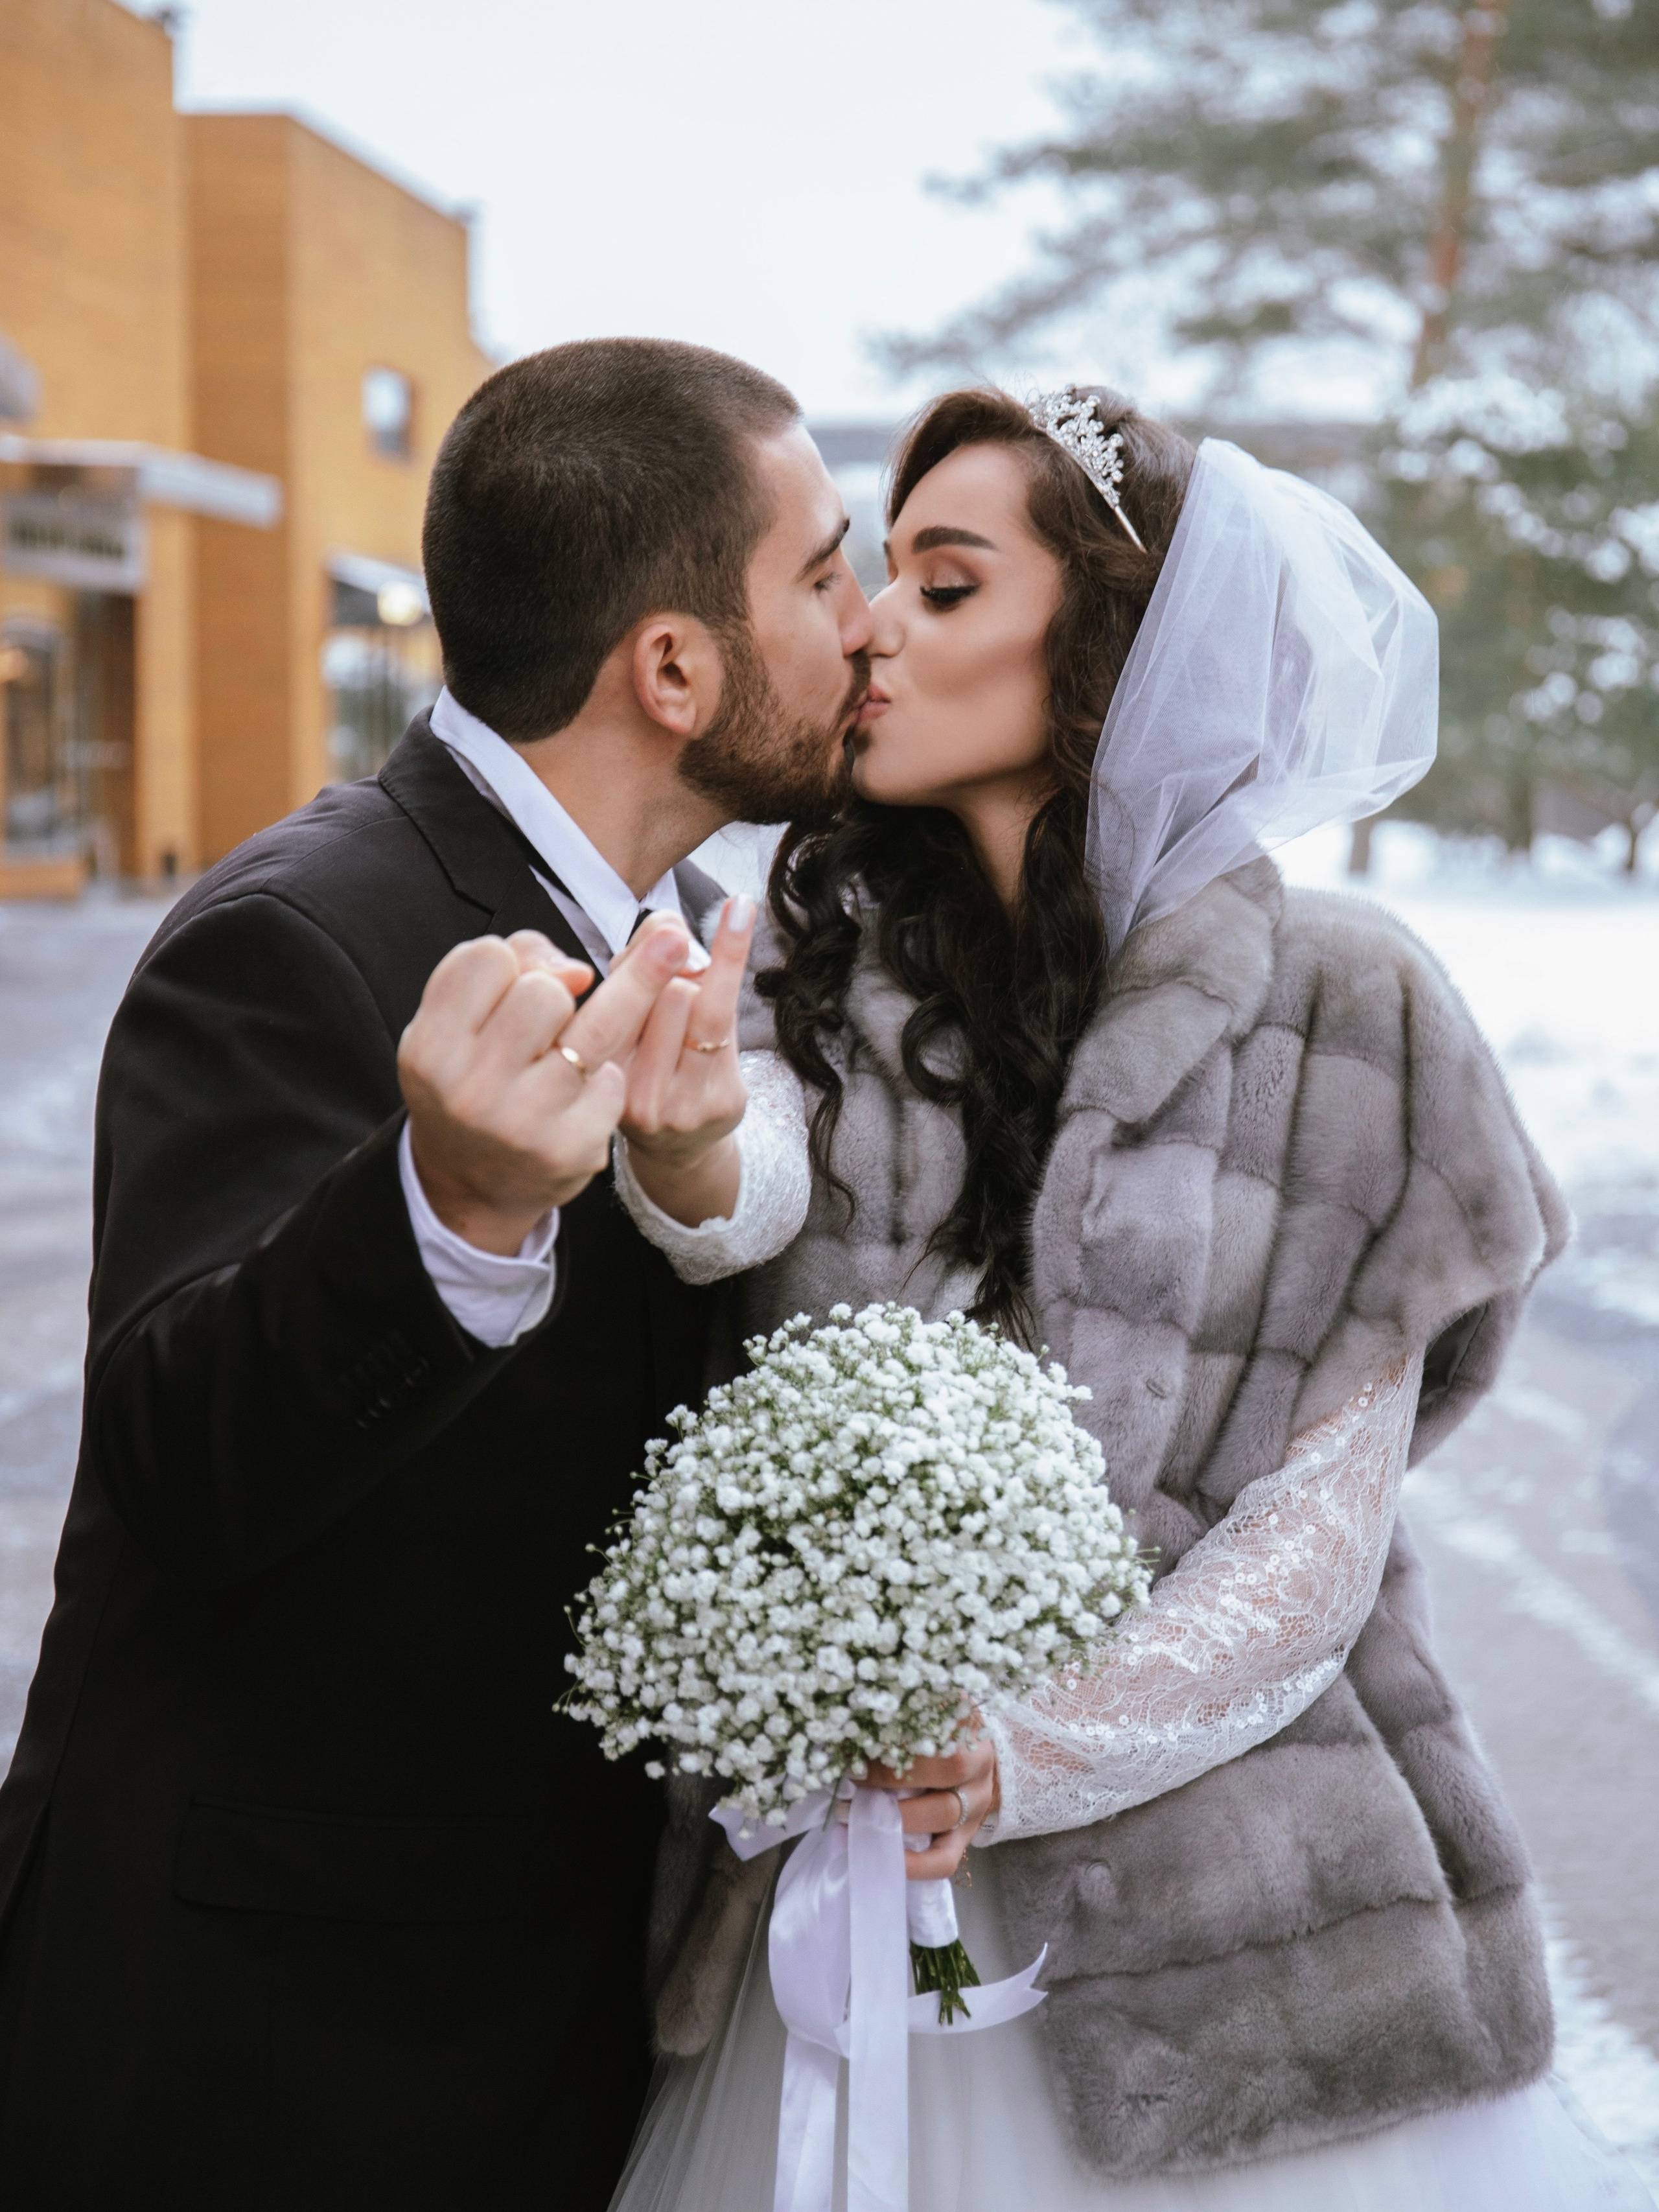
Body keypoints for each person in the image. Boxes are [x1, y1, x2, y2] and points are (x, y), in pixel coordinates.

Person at [611, 387, 1657, 2207]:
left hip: (1257, 1923)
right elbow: (746, 1187)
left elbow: (1319, 1542)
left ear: (1114, 643)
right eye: (880, 575)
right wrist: (690, 1142)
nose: (873, 628)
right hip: (851, 1885)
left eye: (946, 586)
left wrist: (1024, 1751)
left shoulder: (1355, 1007)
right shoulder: (820, 966)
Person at [0, 338, 870, 2210]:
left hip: (546, 2008)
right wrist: (449, 1208)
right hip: (275, 2040)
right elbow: (180, 1466)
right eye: (825, 575)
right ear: (673, 668)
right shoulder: (296, 934)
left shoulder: (701, 944)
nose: (864, 626)